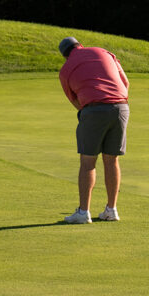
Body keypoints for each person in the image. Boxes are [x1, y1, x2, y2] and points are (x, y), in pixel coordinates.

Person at [57, 36, 130, 224]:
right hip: (121, 107)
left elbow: (75, 102)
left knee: (88, 161)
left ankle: (83, 212)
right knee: (111, 159)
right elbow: (126, 83)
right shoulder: (104, 52)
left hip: (93, 109)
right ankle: (111, 210)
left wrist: (91, 112)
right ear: (80, 45)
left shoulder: (65, 70)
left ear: (65, 55)